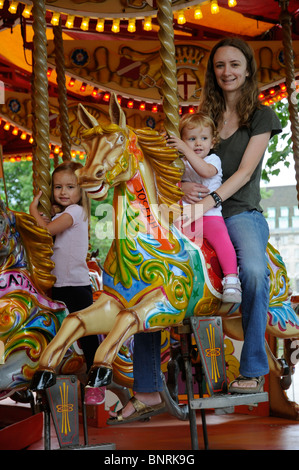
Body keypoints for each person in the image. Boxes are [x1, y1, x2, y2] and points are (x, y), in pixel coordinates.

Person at [109, 36, 282, 424]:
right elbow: (181, 167)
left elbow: (242, 172)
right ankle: (148, 386)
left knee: (254, 270)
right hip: (190, 209)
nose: (227, 72)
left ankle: (253, 369)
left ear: (248, 69)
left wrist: (210, 201)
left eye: (235, 64)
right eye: (220, 65)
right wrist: (183, 187)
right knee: (150, 271)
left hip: (236, 212)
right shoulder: (203, 117)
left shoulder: (262, 117)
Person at [29, 161, 100, 403]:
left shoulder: (75, 212)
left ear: (81, 191)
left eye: (70, 186)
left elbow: (45, 231)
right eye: (58, 186)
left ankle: (96, 380)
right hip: (61, 285)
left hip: (75, 285)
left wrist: (33, 212)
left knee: (87, 333)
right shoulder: (64, 213)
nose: (63, 192)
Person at [167, 112, 242, 303]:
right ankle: (173, 272)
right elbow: (166, 183)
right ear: (183, 140)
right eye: (191, 139)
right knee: (169, 238)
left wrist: (185, 148)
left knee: (221, 238)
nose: (198, 143)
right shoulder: (180, 164)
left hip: (210, 215)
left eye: (204, 138)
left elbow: (204, 171)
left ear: (213, 142)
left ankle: (231, 279)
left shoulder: (212, 161)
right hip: (185, 216)